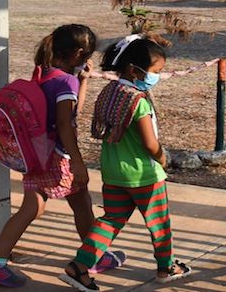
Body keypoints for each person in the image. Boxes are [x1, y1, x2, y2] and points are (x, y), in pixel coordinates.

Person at [0, 24, 126, 287]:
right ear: (79, 54)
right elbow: (66, 123)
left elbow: (68, 110)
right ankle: (95, 256)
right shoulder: (65, 81)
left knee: (31, 208)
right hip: (58, 157)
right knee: (82, 205)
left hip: (37, 155)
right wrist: (77, 162)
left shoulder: (44, 74)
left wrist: (83, 81)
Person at [60, 34, 192, 291]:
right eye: (155, 72)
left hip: (114, 174)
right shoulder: (138, 101)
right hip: (144, 176)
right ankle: (166, 267)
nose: (156, 77)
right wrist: (163, 158)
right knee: (159, 224)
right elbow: (150, 144)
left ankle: (79, 266)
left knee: (109, 221)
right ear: (135, 70)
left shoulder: (111, 92)